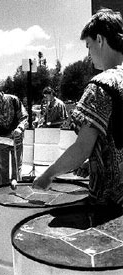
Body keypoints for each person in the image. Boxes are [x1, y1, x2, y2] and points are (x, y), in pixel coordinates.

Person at [33, 9, 123, 211]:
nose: (89, 55)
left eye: (89, 46)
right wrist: (93, 162)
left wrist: (49, 174)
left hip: (109, 204)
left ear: (100, 40)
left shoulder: (101, 85)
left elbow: (81, 147)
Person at [0, 80, 28, 185]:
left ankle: (18, 191)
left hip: (16, 137)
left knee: (16, 166)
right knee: (3, 167)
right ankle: (3, 192)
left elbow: (24, 116)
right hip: (2, 139)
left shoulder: (13, 100)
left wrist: (20, 128)